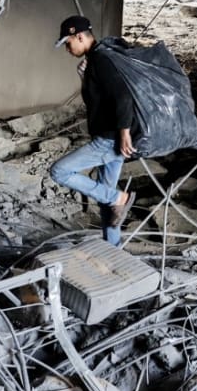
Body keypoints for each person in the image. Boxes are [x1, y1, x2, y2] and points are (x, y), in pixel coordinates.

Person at [49, 15, 138, 246]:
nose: (67, 49)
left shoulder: (101, 60)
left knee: (59, 171)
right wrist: (84, 77)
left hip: (108, 140)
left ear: (79, 36)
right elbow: (100, 99)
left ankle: (120, 198)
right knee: (105, 198)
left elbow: (122, 96)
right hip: (110, 138)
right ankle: (114, 247)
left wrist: (124, 131)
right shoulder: (94, 61)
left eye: (68, 43)